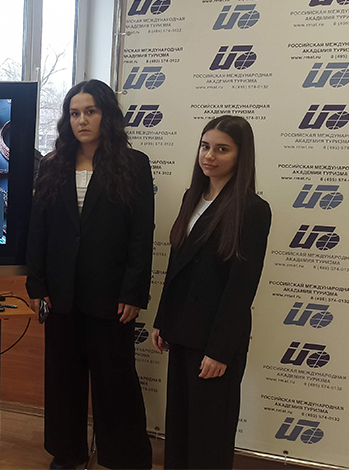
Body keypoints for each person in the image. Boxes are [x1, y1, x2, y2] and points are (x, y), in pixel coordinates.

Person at [26, 79, 155, 470]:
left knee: (116, 381)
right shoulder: (53, 165)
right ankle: (68, 453)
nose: (82, 120)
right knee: (63, 380)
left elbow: (141, 235)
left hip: (111, 296)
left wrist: (133, 293)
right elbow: (38, 230)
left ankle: (123, 457)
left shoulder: (133, 165)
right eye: (74, 113)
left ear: (107, 115)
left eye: (90, 112)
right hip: (60, 295)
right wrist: (37, 284)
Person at [151, 115, 272, 470]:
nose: (209, 156)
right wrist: (162, 319)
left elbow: (241, 287)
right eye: (205, 146)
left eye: (222, 149)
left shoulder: (252, 209)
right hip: (181, 330)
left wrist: (219, 350)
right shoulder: (192, 197)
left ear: (241, 155)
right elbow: (176, 267)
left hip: (214, 340)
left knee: (210, 433)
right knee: (180, 427)